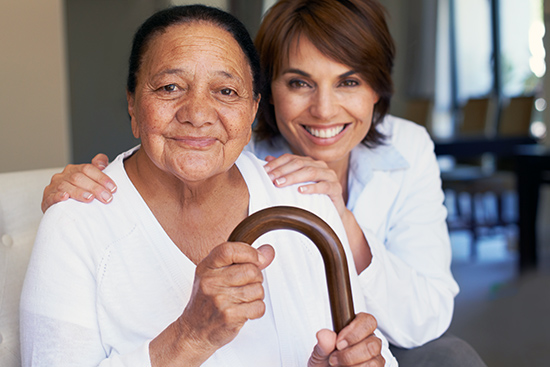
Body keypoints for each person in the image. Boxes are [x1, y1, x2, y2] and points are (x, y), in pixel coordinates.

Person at [40, 1, 487, 366]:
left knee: (451, 356)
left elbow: (419, 321)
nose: (325, 109)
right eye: (170, 87)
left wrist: (340, 219)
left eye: (349, 81)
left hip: (402, 330)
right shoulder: (216, 152)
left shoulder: (317, 192)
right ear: (269, 95)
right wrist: (67, 203)